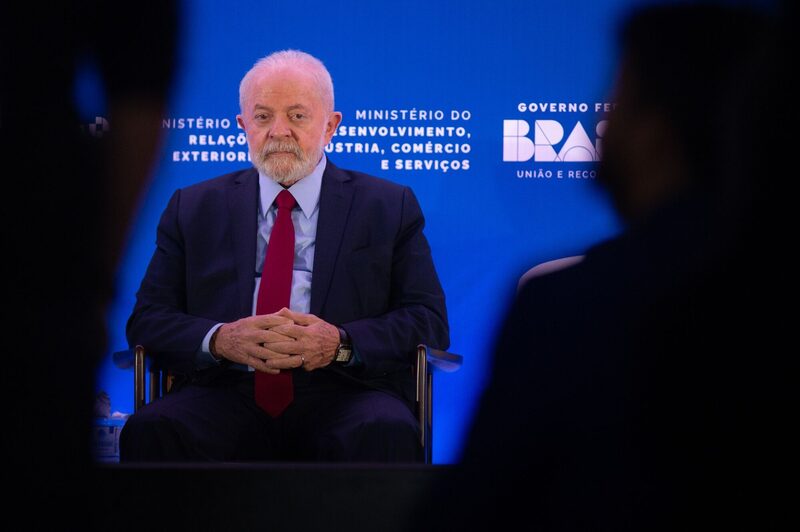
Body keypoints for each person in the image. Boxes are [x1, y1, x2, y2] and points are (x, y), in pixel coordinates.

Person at [419, 2, 789, 530]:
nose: (600, 121)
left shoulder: (574, 307)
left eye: (617, 99)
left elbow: (475, 508)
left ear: (656, 126)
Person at [119, 49, 449, 463]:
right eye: (262, 117)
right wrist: (221, 340)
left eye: (297, 115)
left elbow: (427, 321)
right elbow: (148, 321)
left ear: (330, 126)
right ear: (242, 126)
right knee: (155, 430)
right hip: (223, 390)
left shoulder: (387, 206)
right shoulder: (192, 207)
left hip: (346, 390)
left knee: (384, 431)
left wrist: (341, 344)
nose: (278, 131)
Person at [0, 1, 177, 528]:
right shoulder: (197, 208)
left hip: (35, 258)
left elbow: (140, 92)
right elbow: (140, 98)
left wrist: (90, 281)